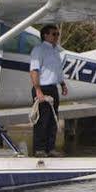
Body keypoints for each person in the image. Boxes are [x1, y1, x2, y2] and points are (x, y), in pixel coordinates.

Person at [29, 24, 69, 156]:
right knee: (43, 121)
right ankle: (39, 150)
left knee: (53, 120)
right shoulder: (39, 50)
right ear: (45, 35)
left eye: (57, 34)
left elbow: (56, 71)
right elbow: (34, 71)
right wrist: (38, 90)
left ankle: (50, 149)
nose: (57, 36)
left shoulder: (56, 50)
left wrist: (62, 84)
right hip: (42, 88)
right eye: (54, 34)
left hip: (53, 88)